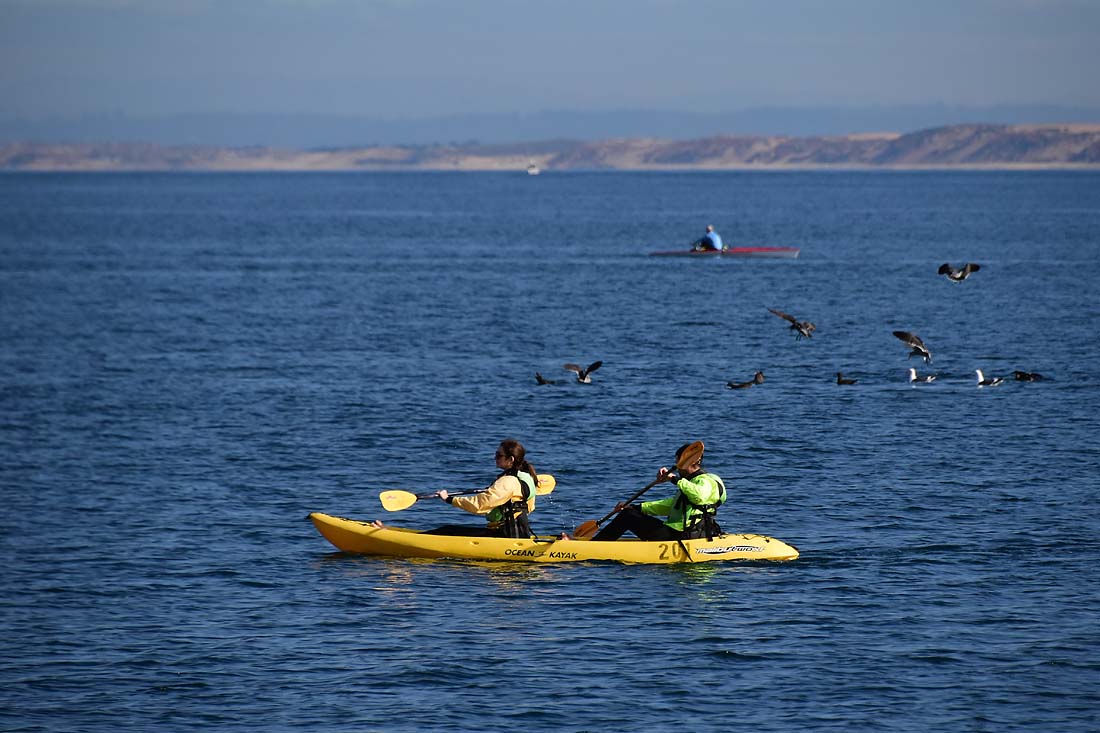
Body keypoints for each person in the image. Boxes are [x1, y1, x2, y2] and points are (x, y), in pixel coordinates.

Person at [593, 443, 726, 541]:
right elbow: (671, 506)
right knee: (629, 512)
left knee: (628, 516)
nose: (677, 468)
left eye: (677, 462)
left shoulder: (706, 481)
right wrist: (638, 508)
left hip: (684, 534)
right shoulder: (690, 482)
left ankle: (595, 545)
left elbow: (699, 497)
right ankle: (598, 543)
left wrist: (673, 479)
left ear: (688, 462)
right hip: (678, 532)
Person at [423, 439, 539, 538]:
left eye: (499, 455)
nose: (495, 458)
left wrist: (449, 499)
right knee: (449, 530)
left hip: (503, 535)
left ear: (511, 459)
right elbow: (530, 507)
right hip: (520, 532)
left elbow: (479, 505)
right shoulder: (527, 478)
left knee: (447, 531)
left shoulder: (507, 481)